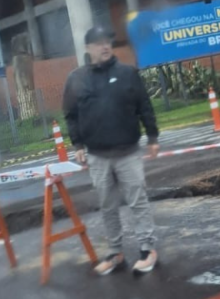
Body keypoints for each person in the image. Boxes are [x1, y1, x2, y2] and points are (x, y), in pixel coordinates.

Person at [63, 26, 160, 275]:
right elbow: (71, 115)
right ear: (88, 48)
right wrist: (77, 144)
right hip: (97, 155)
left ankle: (147, 249)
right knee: (108, 207)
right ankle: (115, 252)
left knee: (138, 202)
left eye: (107, 41)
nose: (105, 46)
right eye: (98, 43)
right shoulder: (76, 79)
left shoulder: (127, 74)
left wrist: (152, 136)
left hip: (127, 152)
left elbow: (144, 106)